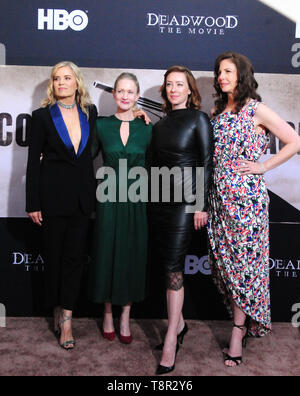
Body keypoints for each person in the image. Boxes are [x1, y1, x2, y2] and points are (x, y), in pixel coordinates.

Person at [207, 51, 300, 367]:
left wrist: (263, 167)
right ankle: (241, 322)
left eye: (228, 72)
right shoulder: (217, 110)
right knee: (227, 266)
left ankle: (238, 330)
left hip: (247, 203)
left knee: (245, 268)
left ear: (242, 75)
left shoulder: (256, 109)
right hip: (218, 200)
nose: (222, 77)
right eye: (220, 72)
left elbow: (294, 141)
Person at [26, 61, 98, 350]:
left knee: (74, 260)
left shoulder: (90, 113)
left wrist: (138, 115)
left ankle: (67, 318)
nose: (62, 83)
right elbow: (33, 164)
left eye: (67, 78)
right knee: (54, 259)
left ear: (77, 82)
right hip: (52, 198)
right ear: (52, 84)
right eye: (57, 78)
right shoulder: (42, 117)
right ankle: (57, 308)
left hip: (82, 198)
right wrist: (33, 203)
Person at [149, 66, 214, 375]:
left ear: (190, 90)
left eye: (180, 84)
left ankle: (171, 342)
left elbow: (206, 161)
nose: (174, 89)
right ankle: (182, 324)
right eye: (169, 84)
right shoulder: (160, 125)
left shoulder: (198, 119)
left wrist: (201, 206)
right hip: (158, 203)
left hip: (185, 205)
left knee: (174, 270)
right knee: (166, 267)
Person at [88, 73, 152, 344]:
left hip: (137, 198)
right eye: (120, 91)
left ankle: (126, 315)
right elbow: (83, 156)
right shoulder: (101, 125)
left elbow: (159, 164)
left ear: (137, 96)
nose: (125, 96)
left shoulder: (148, 127)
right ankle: (107, 313)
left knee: (132, 253)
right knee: (105, 251)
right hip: (108, 196)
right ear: (113, 95)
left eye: (130, 92)